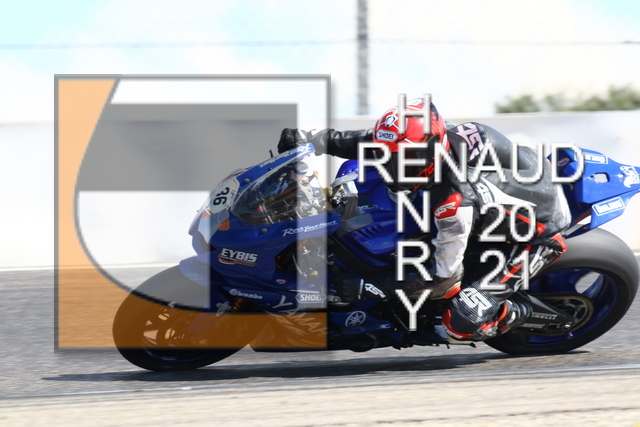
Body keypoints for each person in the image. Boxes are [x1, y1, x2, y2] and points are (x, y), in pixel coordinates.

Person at [277, 98, 571, 341]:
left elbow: (444, 278)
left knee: (462, 319)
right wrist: (311, 140)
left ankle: (511, 314)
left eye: (399, 161)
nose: (389, 165)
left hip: (539, 237)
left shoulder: (453, 201)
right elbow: (370, 142)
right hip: (514, 190)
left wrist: (379, 284)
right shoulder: (434, 138)